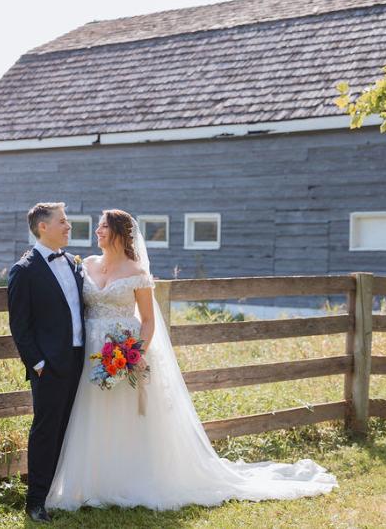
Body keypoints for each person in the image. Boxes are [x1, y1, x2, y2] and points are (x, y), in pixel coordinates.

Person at [46, 209, 337, 512]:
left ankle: (125, 481)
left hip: (123, 350)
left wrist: (133, 354)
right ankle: (92, 483)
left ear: (119, 233)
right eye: (99, 227)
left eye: (104, 227)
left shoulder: (137, 273)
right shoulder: (87, 264)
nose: (98, 232)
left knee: (125, 415)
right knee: (92, 411)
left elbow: (147, 320)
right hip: (91, 351)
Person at [7, 202, 86, 523]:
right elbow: (20, 326)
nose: (69, 227)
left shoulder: (73, 262)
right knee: (46, 431)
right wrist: (37, 364)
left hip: (81, 359)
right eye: (63, 222)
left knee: (72, 427)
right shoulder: (24, 270)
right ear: (43, 227)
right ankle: (36, 501)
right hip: (49, 365)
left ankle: (63, 492)